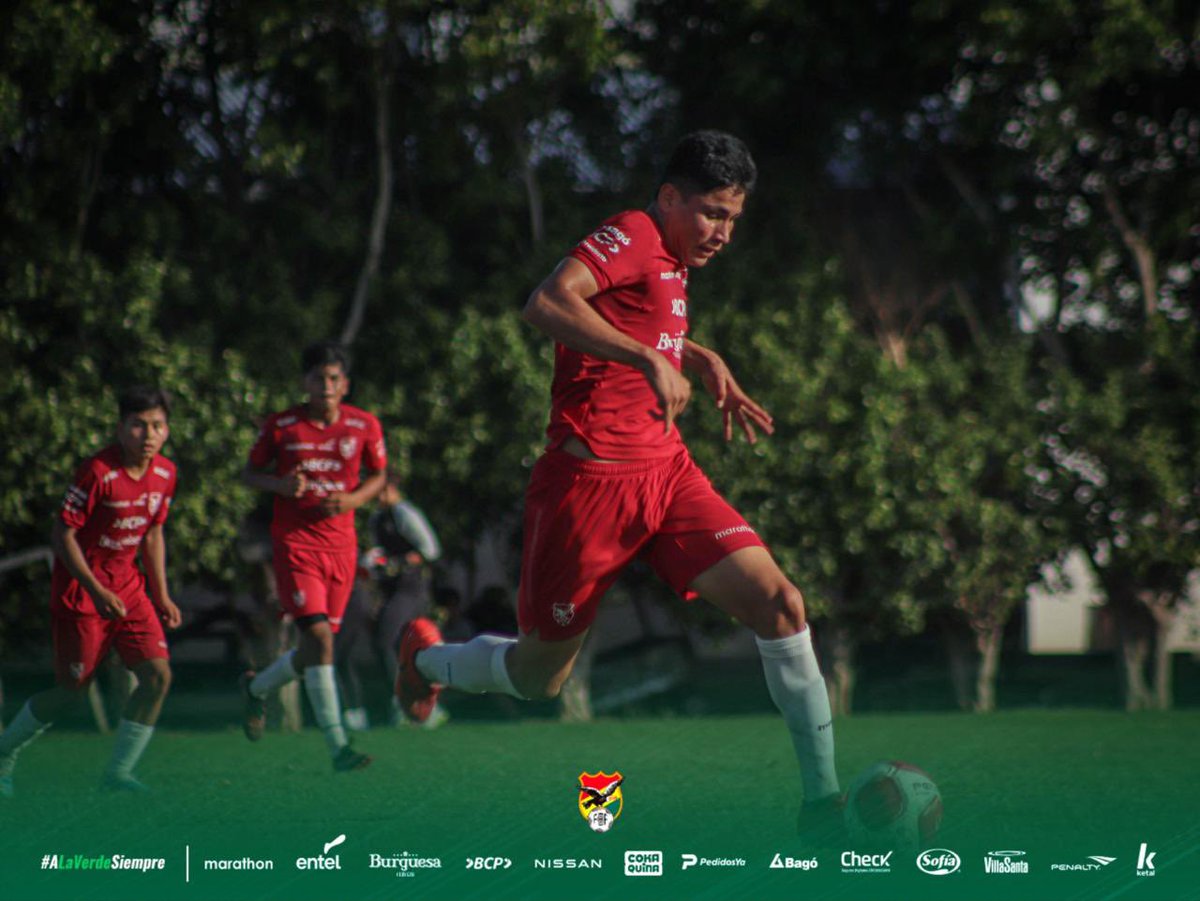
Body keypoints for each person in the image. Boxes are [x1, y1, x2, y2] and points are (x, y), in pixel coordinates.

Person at [395, 130, 842, 836]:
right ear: (669, 197)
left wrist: (696, 357)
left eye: (734, 219)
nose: (723, 233)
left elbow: (641, 324)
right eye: (712, 214)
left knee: (782, 604)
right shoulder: (634, 231)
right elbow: (546, 302)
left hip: (666, 474)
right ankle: (425, 658)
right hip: (589, 486)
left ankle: (823, 806)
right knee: (540, 678)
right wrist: (645, 358)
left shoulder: (673, 255)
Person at [0, 386, 182, 795]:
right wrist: (95, 589)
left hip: (129, 590)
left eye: (157, 425)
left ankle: (118, 773)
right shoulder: (98, 472)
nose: (148, 434)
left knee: (157, 677)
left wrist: (162, 594)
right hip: (83, 594)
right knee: (70, 693)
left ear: (167, 430)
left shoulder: (166, 473)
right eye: (138, 425)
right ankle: (4, 753)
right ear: (121, 428)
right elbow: (62, 535)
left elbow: (153, 533)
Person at [240, 341, 386, 772]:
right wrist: (281, 486)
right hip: (296, 544)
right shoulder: (283, 426)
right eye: (318, 378)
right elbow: (250, 474)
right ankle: (339, 745)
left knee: (314, 646)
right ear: (304, 382)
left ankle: (257, 688)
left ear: (346, 384)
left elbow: (379, 476)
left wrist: (352, 500)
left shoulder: (363, 425)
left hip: (341, 548)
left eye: (334, 378)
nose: (326, 386)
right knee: (320, 639)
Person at [360, 470, 444, 726]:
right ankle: (411, 703)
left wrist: (401, 561)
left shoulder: (405, 514)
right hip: (390, 588)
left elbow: (430, 550)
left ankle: (415, 704)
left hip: (411, 588)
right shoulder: (377, 519)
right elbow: (379, 552)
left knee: (389, 639)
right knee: (397, 645)